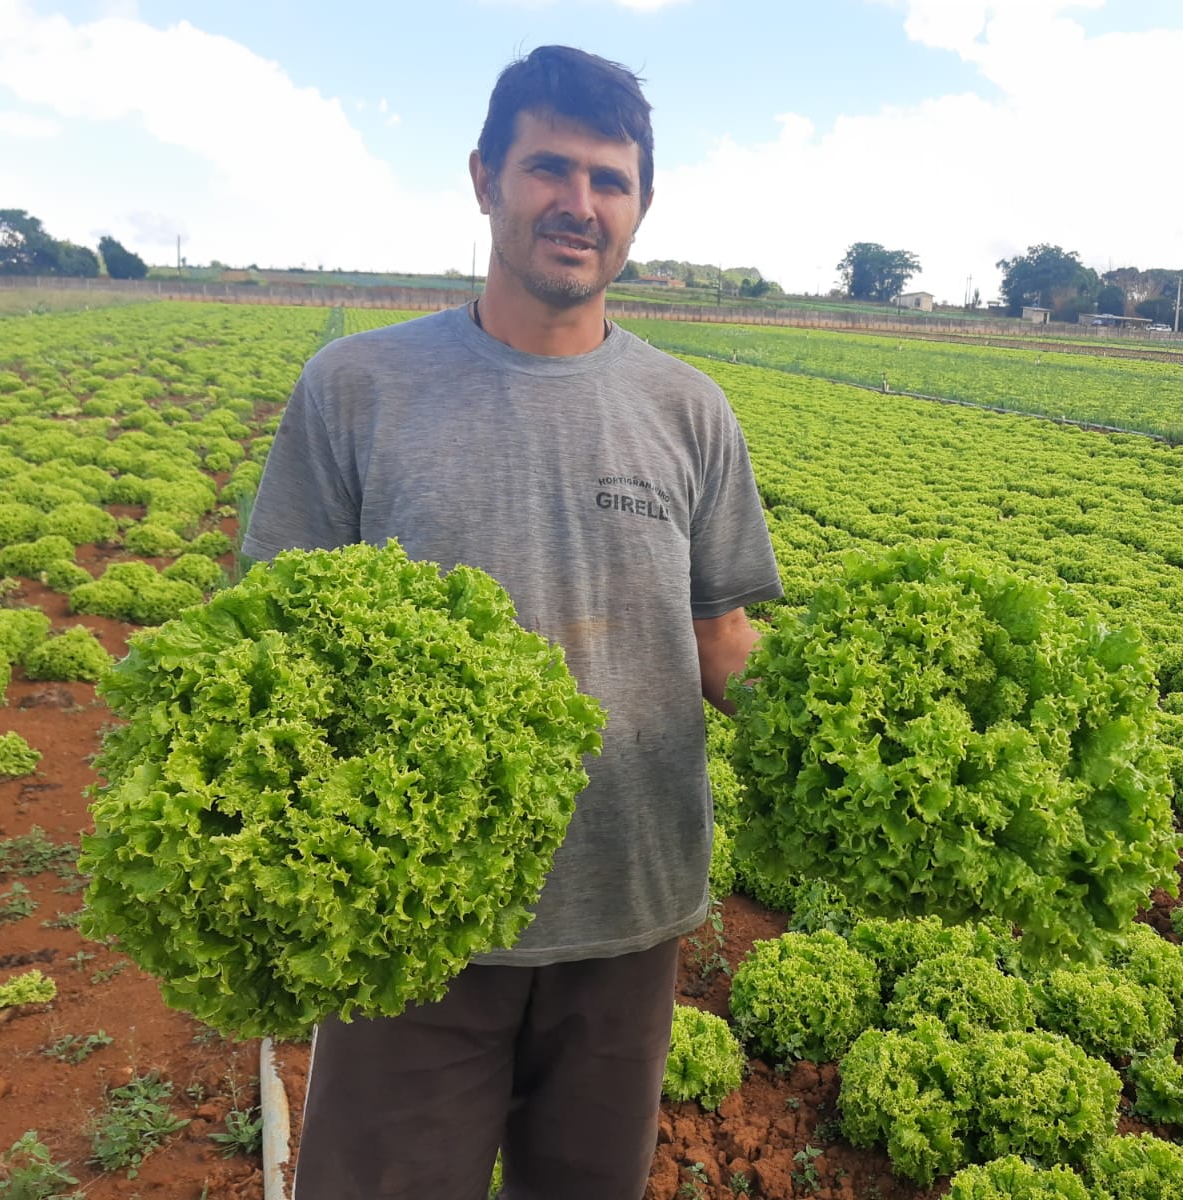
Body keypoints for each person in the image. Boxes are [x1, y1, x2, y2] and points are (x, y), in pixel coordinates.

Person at [240, 45, 783, 1200]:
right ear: (484, 178)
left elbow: (719, 636)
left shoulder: (688, 410)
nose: (577, 205)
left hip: (626, 915)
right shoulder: (358, 388)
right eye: (548, 169)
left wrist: (844, 745)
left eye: (608, 179)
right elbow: (272, 644)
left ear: (640, 205)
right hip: (417, 924)